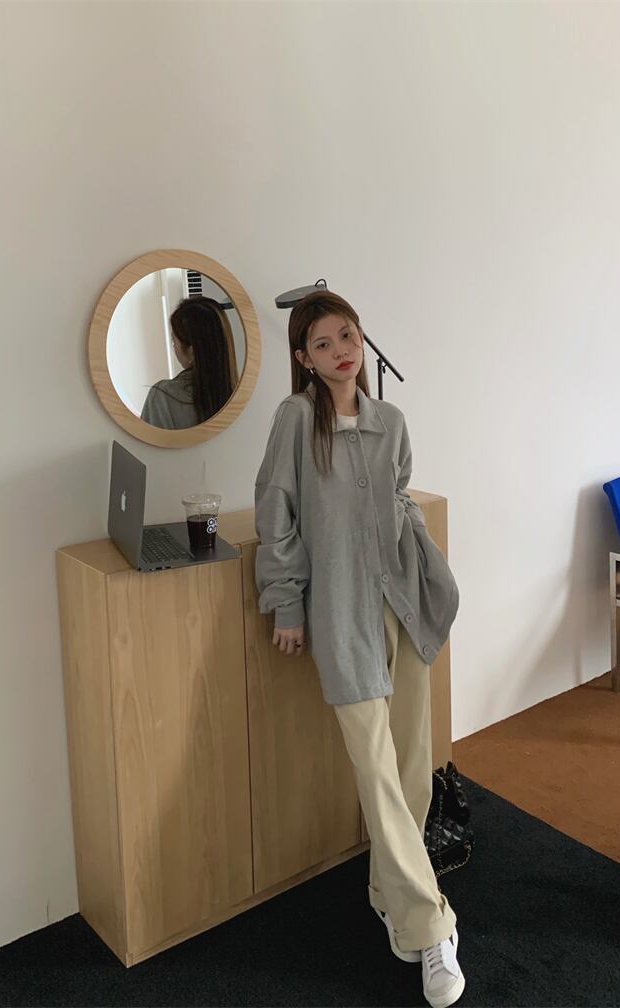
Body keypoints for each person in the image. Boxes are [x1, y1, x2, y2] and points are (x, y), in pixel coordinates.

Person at [254, 291, 464, 1008]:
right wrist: (286, 601)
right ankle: (431, 925)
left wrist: (422, 558)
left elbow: (398, 497)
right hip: (342, 615)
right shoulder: (295, 420)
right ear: (304, 358)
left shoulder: (390, 422)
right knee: (375, 770)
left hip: (402, 605)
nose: (341, 350)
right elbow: (276, 514)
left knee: (412, 770)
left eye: (348, 335)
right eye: (323, 343)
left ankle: (388, 895)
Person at [141, 296, 236, 429]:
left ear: (191, 351)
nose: (174, 348)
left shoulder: (163, 396)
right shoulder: (242, 396)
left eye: (174, 342)